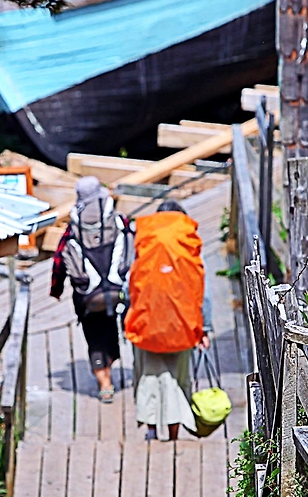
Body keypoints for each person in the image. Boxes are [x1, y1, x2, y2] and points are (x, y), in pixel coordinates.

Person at [124, 200, 211, 440]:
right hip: (182, 324)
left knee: (149, 376)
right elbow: (203, 291)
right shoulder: (188, 245)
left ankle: (151, 431)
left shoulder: (145, 241)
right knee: (178, 379)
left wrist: (130, 317)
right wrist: (205, 328)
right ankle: (173, 434)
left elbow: (130, 283)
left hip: (146, 322)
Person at [50, 176, 134, 403]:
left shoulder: (73, 228)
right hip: (118, 288)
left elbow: (59, 261)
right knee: (111, 328)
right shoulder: (118, 221)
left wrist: (56, 289)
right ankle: (110, 362)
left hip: (87, 295)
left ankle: (104, 383)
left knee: (94, 335)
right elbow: (134, 245)